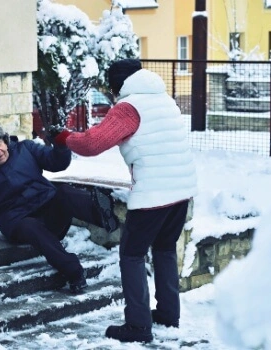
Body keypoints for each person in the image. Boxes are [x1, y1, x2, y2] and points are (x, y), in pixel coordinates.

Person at [52, 59, 197, 342]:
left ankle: (138, 326)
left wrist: (63, 137)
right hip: (182, 190)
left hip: (153, 194)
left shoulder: (128, 108)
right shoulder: (163, 99)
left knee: (131, 254)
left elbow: (93, 143)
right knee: (165, 249)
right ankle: (168, 314)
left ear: (118, 85)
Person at [0, 122, 119, 294]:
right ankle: (73, 271)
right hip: (19, 222)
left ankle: (103, 216)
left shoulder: (26, 148)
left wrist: (61, 146)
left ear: (5, 141)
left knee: (63, 192)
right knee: (31, 226)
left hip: (49, 211)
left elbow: (56, 163)